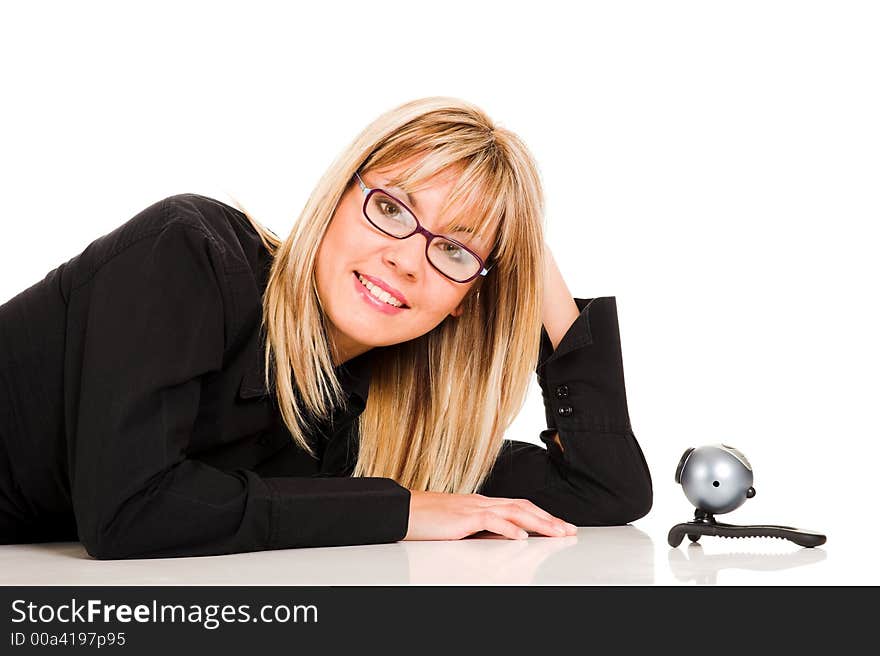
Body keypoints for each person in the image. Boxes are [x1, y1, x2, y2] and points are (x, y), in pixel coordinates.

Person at [0, 97, 652, 559]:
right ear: (337, 195)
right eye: (391, 208)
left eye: (455, 250)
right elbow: (129, 512)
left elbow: (603, 490)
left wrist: (530, 258)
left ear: (464, 300)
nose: (406, 257)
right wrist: (398, 511)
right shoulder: (187, 254)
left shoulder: (370, 420)